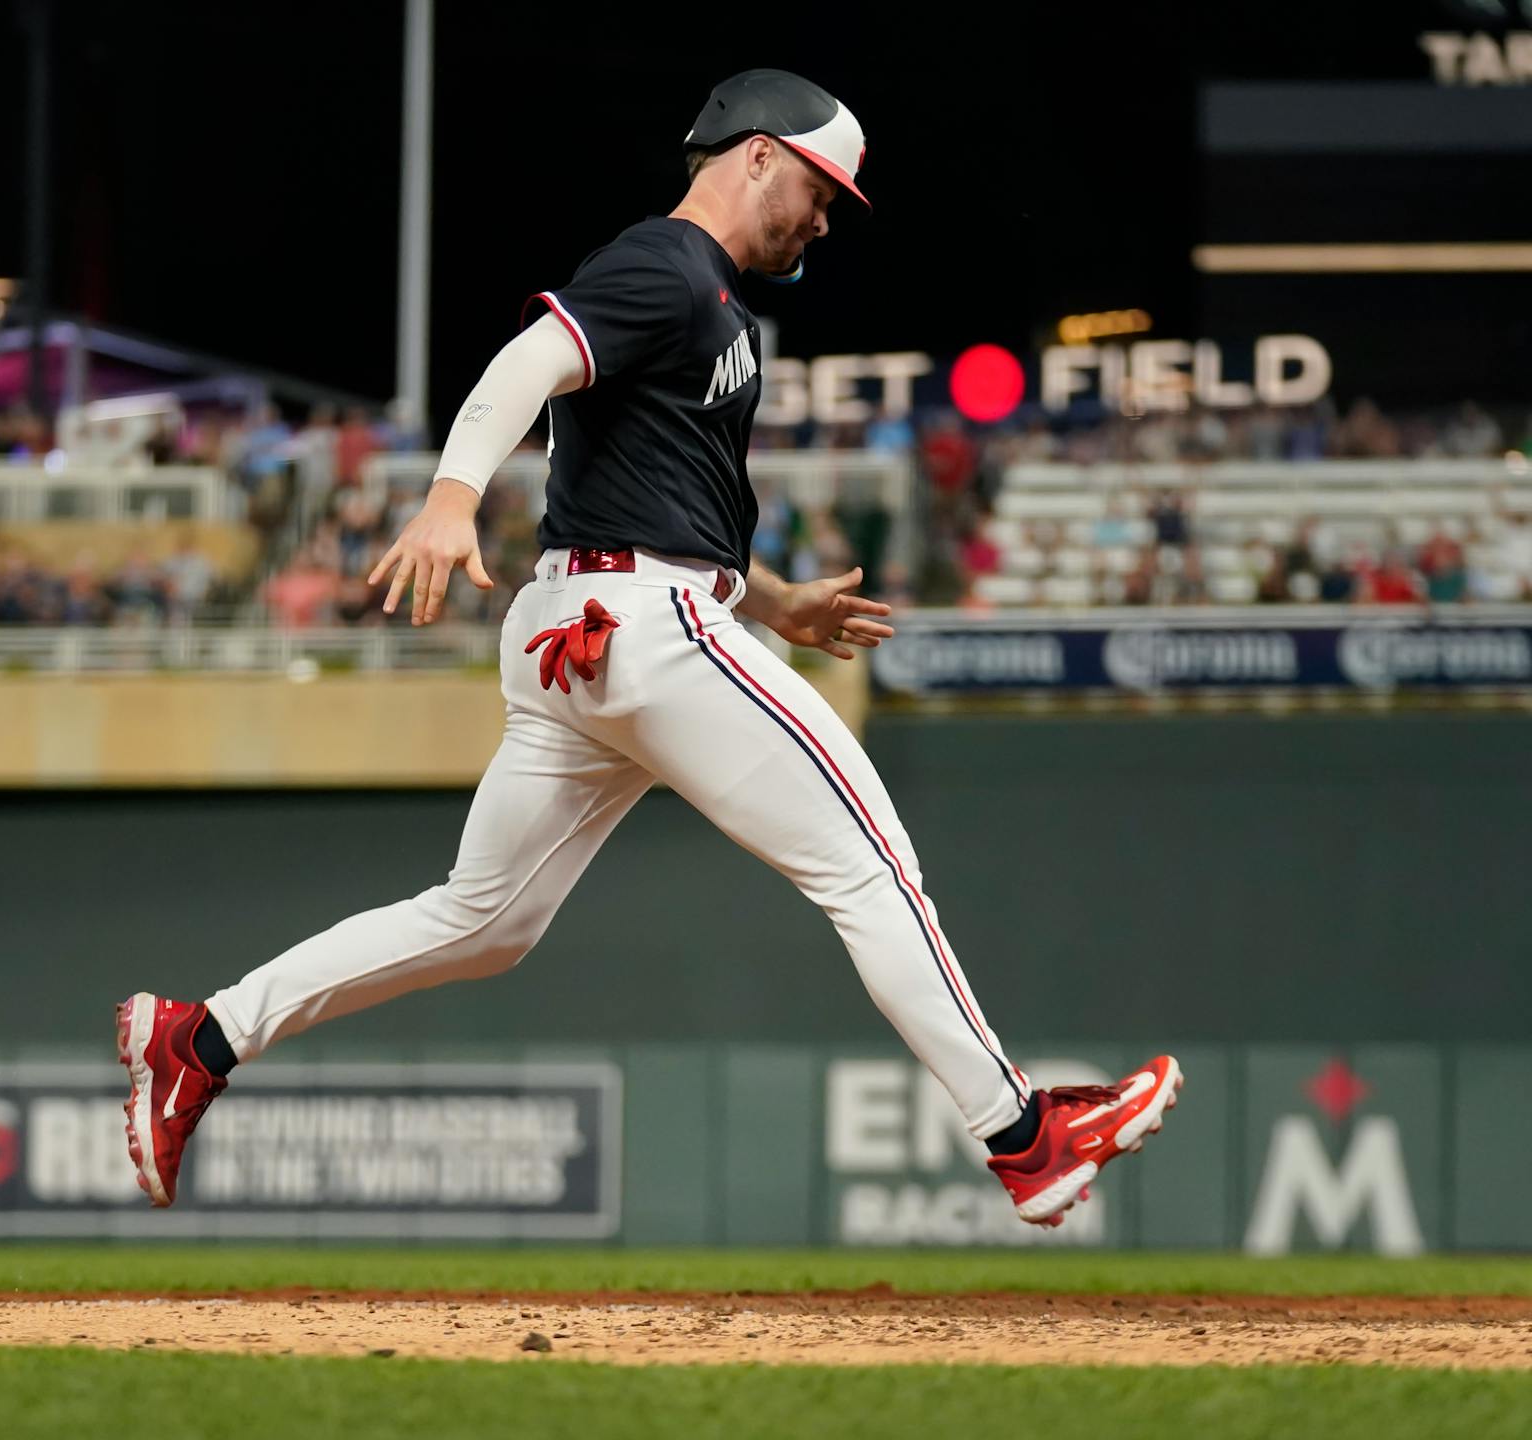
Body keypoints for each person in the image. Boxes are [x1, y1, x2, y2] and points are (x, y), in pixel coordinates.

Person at [115, 70, 1180, 1227]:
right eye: (822, 189)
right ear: (759, 154)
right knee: (869, 868)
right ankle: (1024, 1138)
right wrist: (449, 498)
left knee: (482, 924)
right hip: (644, 631)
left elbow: (662, 501)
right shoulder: (665, 264)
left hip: (594, 631)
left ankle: (200, 1039)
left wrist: (770, 602)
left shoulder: (712, 303)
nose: (827, 218)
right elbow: (527, 362)